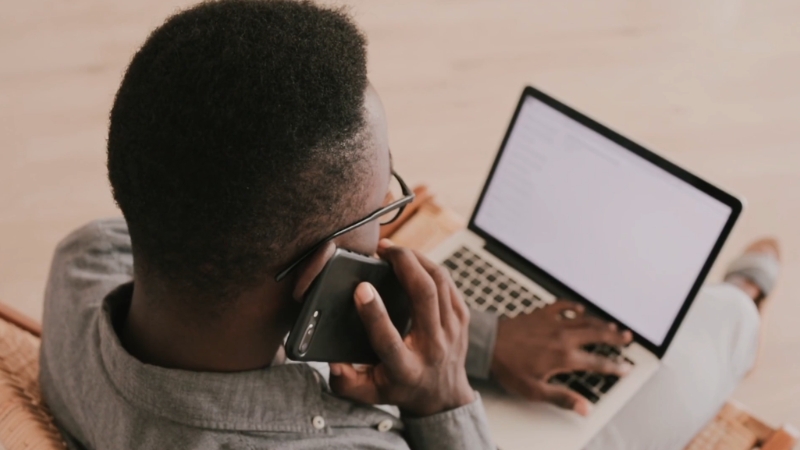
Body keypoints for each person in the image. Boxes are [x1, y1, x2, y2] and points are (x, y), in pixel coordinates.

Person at [39, 0, 782, 449]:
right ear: (319, 271)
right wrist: (446, 396)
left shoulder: (84, 262)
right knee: (694, 349)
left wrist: (485, 340)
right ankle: (744, 302)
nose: (390, 233)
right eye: (385, 203)